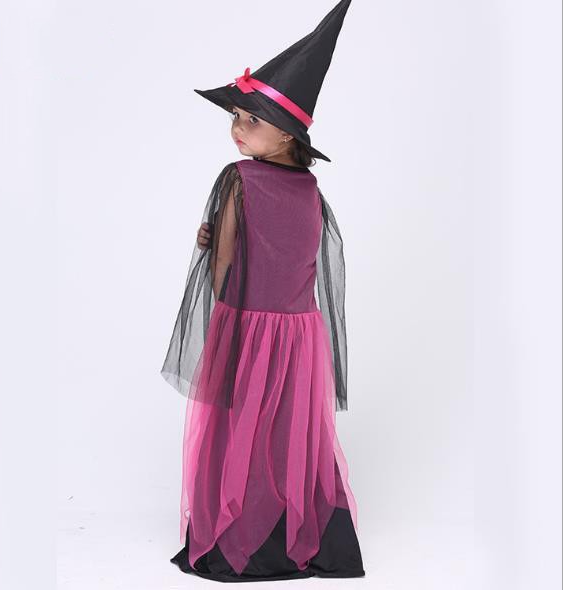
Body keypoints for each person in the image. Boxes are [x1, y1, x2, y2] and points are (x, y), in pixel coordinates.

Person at [160, 0, 365, 581]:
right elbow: (298, 258)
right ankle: (297, 530)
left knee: (239, 429)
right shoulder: (312, 192)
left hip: (248, 328)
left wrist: (213, 251)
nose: (236, 129)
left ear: (285, 132)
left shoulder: (237, 179)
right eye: (235, 117)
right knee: (288, 435)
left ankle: (239, 535)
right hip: (300, 337)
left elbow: (226, 266)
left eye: (249, 119)